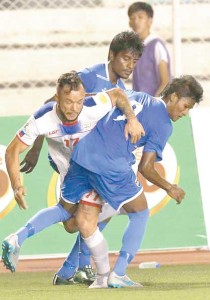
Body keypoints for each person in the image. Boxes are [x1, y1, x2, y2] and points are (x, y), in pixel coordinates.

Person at [13, 31, 144, 285]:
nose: (130, 65)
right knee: (82, 214)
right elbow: (52, 105)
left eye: (135, 61)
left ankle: (73, 267)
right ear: (111, 56)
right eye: (126, 59)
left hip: (91, 160)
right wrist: (36, 147)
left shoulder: (119, 90)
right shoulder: (90, 76)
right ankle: (75, 264)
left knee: (88, 216)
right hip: (70, 155)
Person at [60, 75, 203, 288]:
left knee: (83, 218)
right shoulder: (164, 123)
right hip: (112, 166)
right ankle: (118, 273)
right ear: (173, 97)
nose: (184, 113)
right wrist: (169, 187)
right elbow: (146, 167)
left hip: (84, 155)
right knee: (140, 212)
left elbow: (106, 99)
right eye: (185, 106)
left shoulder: (138, 96)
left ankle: (65, 267)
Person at [128, 2, 171, 96]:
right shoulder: (133, 48)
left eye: (140, 17)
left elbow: (165, 82)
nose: (136, 21)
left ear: (150, 21)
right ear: (129, 23)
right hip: (140, 105)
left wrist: (153, 103)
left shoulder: (156, 45)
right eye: (132, 18)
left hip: (154, 104)